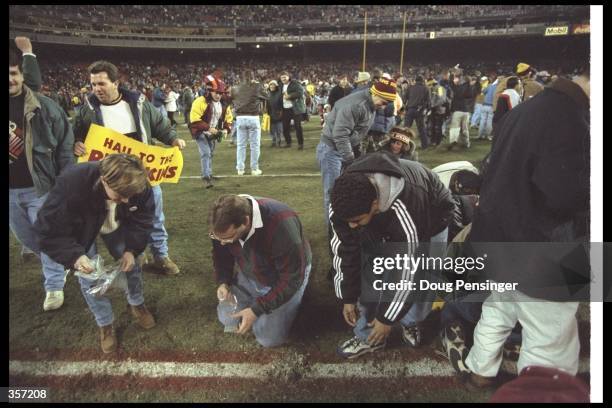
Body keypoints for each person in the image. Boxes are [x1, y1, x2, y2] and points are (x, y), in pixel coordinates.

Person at [465, 73, 590, 388]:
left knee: (499, 309)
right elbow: (564, 196)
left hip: (500, 236)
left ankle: (480, 372)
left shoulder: (527, 109)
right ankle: (537, 393)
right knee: (551, 336)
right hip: (543, 243)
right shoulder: (570, 121)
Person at [329, 152, 454, 358]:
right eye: (348, 220)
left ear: (375, 204)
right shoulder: (343, 202)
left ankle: (410, 321)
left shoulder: (409, 206)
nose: (351, 226)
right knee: (371, 269)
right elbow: (344, 251)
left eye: (356, 220)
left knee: (423, 274)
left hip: (432, 216)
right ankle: (369, 336)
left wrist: (387, 318)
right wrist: (347, 296)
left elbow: (408, 270)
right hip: (384, 216)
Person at [35, 154, 156, 354]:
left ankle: (137, 303)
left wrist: (132, 249)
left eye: (130, 194)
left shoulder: (139, 183)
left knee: (131, 264)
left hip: (118, 226)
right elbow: (49, 230)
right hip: (81, 230)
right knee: (88, 277)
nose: (126, 199)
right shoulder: (72, 182)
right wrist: (75, 256)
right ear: (104, 180)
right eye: (121, 193)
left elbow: (143, 219)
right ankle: (105, 323)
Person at [73, 60, 185, 275]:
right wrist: (75, 143)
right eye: (93, 84)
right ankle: (132, 254)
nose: (97, 89)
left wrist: (172, 139)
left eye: (102, 83)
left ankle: (161, 256)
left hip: (144, 174)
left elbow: (159, 125)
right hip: (111, 179)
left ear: (116, 82)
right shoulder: (88, 109)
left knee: (154, 216)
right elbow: (76, 133)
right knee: (115, 220)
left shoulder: (138, 103)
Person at [9, 44, 75, 312]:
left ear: (22, 74)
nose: (10, 80)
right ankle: (61, 261)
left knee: (46, 237)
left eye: (13, 73)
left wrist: (65, 183)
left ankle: (54, 285)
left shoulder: (44, 106)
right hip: (10, 192)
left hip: (40, 187)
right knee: (28, 239)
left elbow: (64, 145)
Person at [209, 194, 312, 347]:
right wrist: (223, 281)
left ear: (246, 221)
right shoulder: (221, 225)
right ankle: (259, 298)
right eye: (218, 238)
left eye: (230, 238)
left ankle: (297, 300)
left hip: (285, 276)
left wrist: (257, 309)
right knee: (227, 318)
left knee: (268, 338)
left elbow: (291, 279)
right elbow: (221, 254)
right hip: (253, 269)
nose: (223, 243)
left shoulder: (281, 224)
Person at [317, 77, 397, 225]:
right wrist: (350, 160)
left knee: (344, 190)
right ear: (376, 94)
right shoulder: (356, 105)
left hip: (342, 148)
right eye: (384, 102)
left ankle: (341, 223)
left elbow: (356, 132)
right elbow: (340, 135)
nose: (384, 107)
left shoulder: (369, 103)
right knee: (333, 191)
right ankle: (334, 228)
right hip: (332, 151)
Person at [189, 76, 233, 188]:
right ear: (210, 91)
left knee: (211, 153)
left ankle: (209, 173)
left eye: (220, 93)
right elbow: (194, 120)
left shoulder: (224, 103)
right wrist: (208, 128)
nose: (218, 95)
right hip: (200, 131)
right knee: (206, 153)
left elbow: (228, 118)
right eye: (216, 92)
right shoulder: (200, 101)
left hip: (213, 132)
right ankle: (205, 177)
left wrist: (225, 129)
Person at [231, 70, 268, 175]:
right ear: (253, 77)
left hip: (240, 118)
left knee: (241, 145)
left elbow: (232, 99)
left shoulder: (236, 87)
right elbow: (267, 96)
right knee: (255, 145)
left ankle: (240, 169)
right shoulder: (257, 86)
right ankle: (254, 169)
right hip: (253, 117)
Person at [279, 71, 307, 150]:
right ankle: (288, 142)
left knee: (298, 127)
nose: (283, 79)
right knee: (285, 127)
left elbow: (301, 92)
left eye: (285, 77)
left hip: (295, 108)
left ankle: (300, 144)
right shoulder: (280, 85)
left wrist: (290, 96)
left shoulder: (295, 83)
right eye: (282, 77)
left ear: (288, 77)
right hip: (285, 109)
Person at [403, 76, 431, 149]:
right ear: (422, 81)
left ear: (415, 81)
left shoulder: (410, 87)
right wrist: (426, 109)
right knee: (421, 129)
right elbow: (428, 101)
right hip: (420, 110)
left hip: (410, 109)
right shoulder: (426, 88)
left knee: (406, 129)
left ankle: (403, 144)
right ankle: (425, 146)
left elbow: (405, 98)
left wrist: (405, 107)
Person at [266, 80, 283, 147]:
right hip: (270, 114)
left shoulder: (279, 94)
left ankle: (279, 141)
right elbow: (266, 104)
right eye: (271, 85)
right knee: (271, 129)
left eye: (273, 85)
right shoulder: (267, 94)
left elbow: (281, 103)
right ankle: (273, 141)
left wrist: (281, 111)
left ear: (276, 86)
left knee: (279, 129)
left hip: (278, 113)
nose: (272, 86)